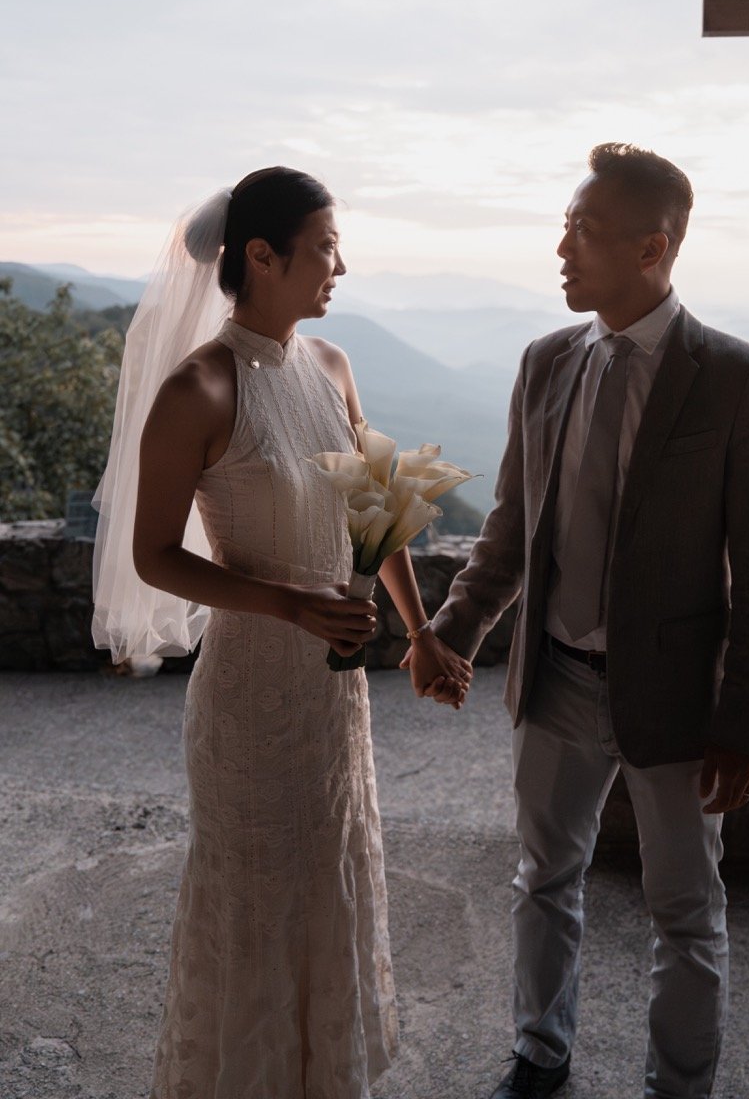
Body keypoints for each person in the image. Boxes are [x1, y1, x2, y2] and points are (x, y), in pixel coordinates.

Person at [403, 143, 749, 1099]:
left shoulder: (739, 380)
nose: (561, 249)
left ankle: (680, 1085)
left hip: (676, 700)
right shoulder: (545, 363)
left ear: (653, 247)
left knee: (686, 911)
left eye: (582, 229)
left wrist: (747, 724)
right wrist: (454, 633)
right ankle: (539, 1055)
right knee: (543, 878)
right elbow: (510, 528)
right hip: (555, 681)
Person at [92, 166, 471, 1099]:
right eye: (326, 248)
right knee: (258, 900)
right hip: (251, 696)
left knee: (328, 878)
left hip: (331, 698)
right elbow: (153, 556)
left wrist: (420, 634)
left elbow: (375, 513)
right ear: (261, 257)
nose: (340, 265)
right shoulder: (200, 388)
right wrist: (293, 606)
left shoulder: (332, 367)